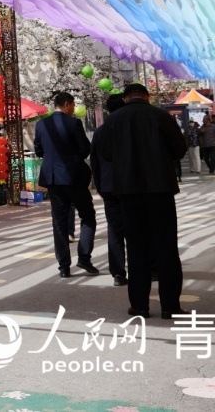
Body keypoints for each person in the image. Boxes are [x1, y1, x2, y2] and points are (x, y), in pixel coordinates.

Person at [97, 83, 188, 320]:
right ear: (147, 96)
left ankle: (139, 306)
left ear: (125, 98)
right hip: (161, 189)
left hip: (129, 191)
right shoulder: (162, 116)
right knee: (166, 247)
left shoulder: (114, 120)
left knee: (136, 248)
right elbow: (180, 150)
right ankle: (170, 305)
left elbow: (105, 153)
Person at [34, 91, 98, 278]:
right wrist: (73, 158)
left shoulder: (41, 124)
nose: (73, 109)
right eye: (73, 106)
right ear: (67, 104)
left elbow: (38, 150)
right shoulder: (73, 123)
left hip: (53, 178)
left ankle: (64, 266)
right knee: (87, 215)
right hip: (73, 176)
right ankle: (84, 257)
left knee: (59, 222)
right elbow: (85, 148)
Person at [90, 94, 128, 287]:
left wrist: (98, 184)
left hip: (108, 186)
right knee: (136, 228)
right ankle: (143, 268)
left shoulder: (100, 131)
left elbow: (94, 161)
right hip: (131, 186)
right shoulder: (129, 129)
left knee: (115, 230)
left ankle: (118, 273)